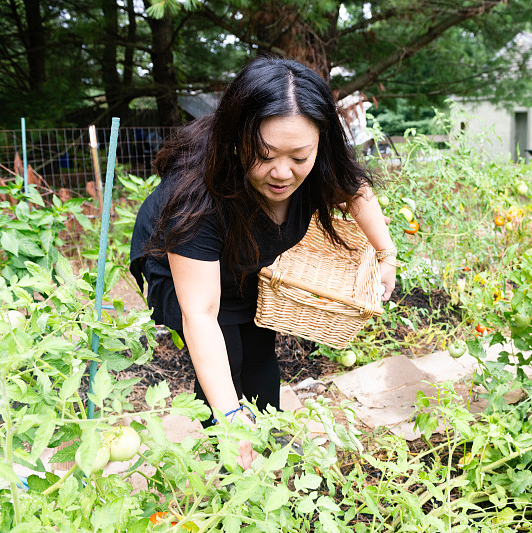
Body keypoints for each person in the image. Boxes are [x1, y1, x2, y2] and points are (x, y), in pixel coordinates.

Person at [129, 54, 397, 469]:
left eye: (298, 157)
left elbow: (355, 190)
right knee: (225, 349)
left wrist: (386, 254)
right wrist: (231, 419)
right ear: (238, 140)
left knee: (259, 345)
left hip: (242, 254)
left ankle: (266, 440)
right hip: (178, 259)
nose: (282, 173)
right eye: (265, 154)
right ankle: (231, 452)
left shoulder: (319, 165)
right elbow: (200, 315)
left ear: (318, 146)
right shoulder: (196, 200)